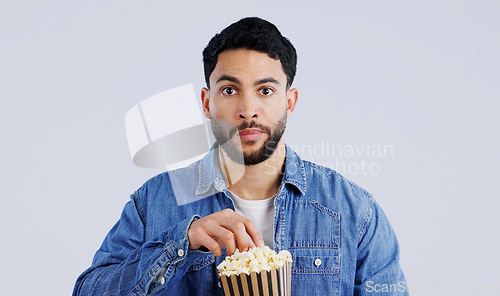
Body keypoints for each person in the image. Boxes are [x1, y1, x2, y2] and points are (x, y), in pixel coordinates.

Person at [73, 17, 408, 295]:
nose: (248, 110)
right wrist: (180, 243)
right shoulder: (154, 203)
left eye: (265, 90)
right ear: (206, 102)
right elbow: (88, 290)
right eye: (230, 90)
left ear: (289, 102)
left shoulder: (353, 211)